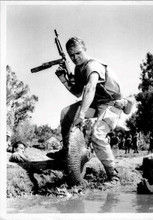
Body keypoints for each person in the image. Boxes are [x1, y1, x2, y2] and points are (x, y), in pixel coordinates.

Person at [55, 37, 133, 185]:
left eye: (78, 53)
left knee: (97, 134)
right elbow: (78, 92)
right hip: (95, 103)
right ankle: (66, 150)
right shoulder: (78, 69)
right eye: (71, 55)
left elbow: (90, 88)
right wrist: (64, 80)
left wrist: (82, 114)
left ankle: (113, 176)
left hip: (112, 104)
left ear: (85, 49)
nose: (75, 58)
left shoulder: (93, 65)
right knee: (66, 113)